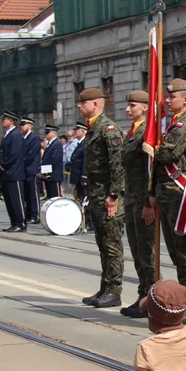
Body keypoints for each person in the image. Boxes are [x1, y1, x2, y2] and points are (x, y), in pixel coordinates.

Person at [153, 79, 186, 322]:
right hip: (168, 194)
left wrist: (153, 146)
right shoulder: (172, 123)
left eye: (171, 97)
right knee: (175, 251)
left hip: (179, 192)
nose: (167, 100)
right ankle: (185, 299)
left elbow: (169, 153)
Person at [78, 88, 126, 308]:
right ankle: (105, 286)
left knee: (112, 243)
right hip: (96, 191)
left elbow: (117, 165)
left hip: (107, 192)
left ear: (96, 104)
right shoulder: (92, 128)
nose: (79, 106)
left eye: (83, 102)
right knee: (102, 242)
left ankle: (113, 290)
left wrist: (114, 194)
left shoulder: (108, 129)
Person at [119, 91, 156, 318]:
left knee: (146, 252)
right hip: (131, 198)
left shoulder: (146, 133)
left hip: (142, 200)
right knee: (137, 250)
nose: (127, 110)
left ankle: (150, 298)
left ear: (144, 108)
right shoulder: (133, 132)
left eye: (132, 106)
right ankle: (143, 294)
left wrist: (148, 202)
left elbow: (150, 172)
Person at [0, 110, 27, 232]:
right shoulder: (7, 135)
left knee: (16, 200)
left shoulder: (15, 135)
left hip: (14, 173)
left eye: (4, 119)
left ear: (10, 121)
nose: (2, 122)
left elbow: (13, 155)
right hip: (6, 173)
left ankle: (21, 223)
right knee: (9, 200)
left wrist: (1, 166)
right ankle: (14, 222)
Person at [20, 118, 42, 224]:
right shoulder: (22, 138)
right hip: (23, 170)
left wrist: (20, 161)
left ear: (30, 126)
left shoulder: (34, 138)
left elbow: (31, 154)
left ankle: (35, 215)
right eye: (21, 124)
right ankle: (28, 214)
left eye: (24, 124)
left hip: (31, 169)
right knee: (26, 194)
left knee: (33, 193)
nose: (22, 126)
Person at [69, 122, 88, 228]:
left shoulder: (85, 143)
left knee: (85, 199)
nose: (75, 132)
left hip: (81, 177)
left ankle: (88, 221)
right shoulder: (79, 143)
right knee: (80, 198)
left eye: (77, 130)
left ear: (83, 131)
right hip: (76, 176)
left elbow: (85, 161)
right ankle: (83, 220)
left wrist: (84, 177)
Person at [42, 125, 64, 199]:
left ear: (54, 133)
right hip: (49, 175)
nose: (45, 134)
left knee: (56, 198)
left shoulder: (57, 144)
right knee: (50, 198)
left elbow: (54, 160)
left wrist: (44, 170)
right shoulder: (50, 144)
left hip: (54, 175)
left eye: (47, 132)